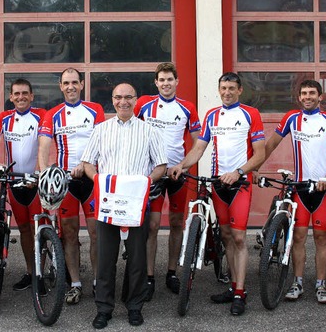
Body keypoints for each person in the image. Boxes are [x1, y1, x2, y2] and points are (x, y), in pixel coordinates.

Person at [170, 72, 265, 316]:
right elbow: (199, 147)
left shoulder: (250, 114)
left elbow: (260, 154)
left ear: (240, 90)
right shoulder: (212, 115)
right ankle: (234, 287)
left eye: (232, 88)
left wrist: (238, 172)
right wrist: (182, 165)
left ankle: (240, 293)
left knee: (240, 237)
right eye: (223, 88)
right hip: (218, 184)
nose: (227, 92)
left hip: (240, 184)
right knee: (225, 236)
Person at [81, 83, 167, 329]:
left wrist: (147, 181)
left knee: (137, 259)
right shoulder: (101, 129)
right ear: (112, 100)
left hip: (137, 202)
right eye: (118, 97)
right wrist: (98, 180)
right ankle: (104, 309)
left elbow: (160, 164)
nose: (123, 102)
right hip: (108, 202)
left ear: (136, 99)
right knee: (106, 258)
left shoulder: (149, 130)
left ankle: (134, 307)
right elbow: (88, 162)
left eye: (128, 97)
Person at [257, 79, 326, 304]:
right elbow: (271, 144)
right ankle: (297, 282)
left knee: (321, 237)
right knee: (298, 237)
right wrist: (256, 167)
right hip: (301, 187)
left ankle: (321, 284)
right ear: (299, 97)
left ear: (320, 96)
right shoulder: (291, 118)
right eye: (304, 93)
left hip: (323, 188)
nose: (308, 96)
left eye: (312, 93)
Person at [38, 68, 105, 304]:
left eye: (74, 82)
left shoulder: (94, 109)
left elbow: (100, 142)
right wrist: (44, 173)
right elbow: (44, 146)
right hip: (65, 181)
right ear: (60, 85)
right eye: (66, 83)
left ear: (82, 84)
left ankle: (98, 281)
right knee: (69, 234)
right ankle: (75, 283)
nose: (70, 87)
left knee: (97, 233)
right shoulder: (52, 114)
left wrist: (86, 165)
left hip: (89, 178)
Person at [134, 62, 200, 298]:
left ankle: (172, 272)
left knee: (175, 224)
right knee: (151, 226)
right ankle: (149, 276)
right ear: (156, 82)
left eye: (170, 79)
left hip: (176, 174)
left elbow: (198, 143)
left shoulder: (187, 107)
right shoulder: (143, 105)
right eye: (161, 80)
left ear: (177, 81)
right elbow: (130, 130)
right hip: (152, 173)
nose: (166, 83)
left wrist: (184, 166)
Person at [0, 78, 46, 291]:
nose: (21, 97)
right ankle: (30, 272)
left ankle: (41, 273)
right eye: (16, 94)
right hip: (15, 182)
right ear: (10, 97)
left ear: (32, 96)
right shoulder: (4, 118)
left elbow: (47, 143)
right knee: (25, 230)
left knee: (40, 229)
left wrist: (40, 171)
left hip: (35, 181)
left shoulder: (42, 115)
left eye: (25, 93)